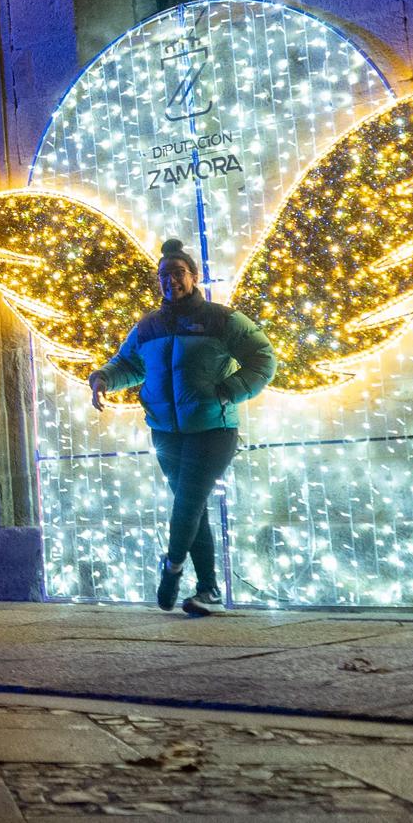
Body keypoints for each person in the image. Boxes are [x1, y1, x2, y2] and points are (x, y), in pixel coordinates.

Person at [87, 237, 276, 615]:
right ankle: (209, 591)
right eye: (163, 275)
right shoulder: (148, 326)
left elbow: (262, 356)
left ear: (194, 276)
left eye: (178, 273)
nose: (170, 281)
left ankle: (172, 567)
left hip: (213, 429)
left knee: (187, 502)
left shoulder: (222, 319)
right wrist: (103, 378)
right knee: (193, 508)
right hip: (166, 432)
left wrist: (230, 390)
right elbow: (129, 364)